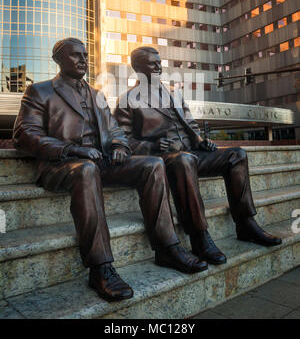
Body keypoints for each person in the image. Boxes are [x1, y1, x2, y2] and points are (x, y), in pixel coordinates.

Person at [13, 38, 207, 303]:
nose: (83, 59)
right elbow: (25, 134)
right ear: (59, 60)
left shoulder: (97, 94)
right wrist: (71, 150)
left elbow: (116, 132)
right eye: (75, 55)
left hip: (102, 161)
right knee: (86, 169)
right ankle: (100, 267)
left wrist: (119, 146)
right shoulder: (40, 91)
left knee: (153, 164)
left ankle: (167, 247)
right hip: (63, 164)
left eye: (84, 55)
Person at [114, 46, 282, 265]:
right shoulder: (128, 99)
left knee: (237, 155)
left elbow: (191, 124)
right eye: (152, 63)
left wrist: (202, 141)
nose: (158, 66)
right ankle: (199, 237)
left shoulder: (173, 93)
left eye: (159, 62)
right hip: (165, 159)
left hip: (192, 153)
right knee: (184, 159)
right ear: (137, 68)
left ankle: (246, 223)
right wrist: (151, 145)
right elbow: (122, 140)